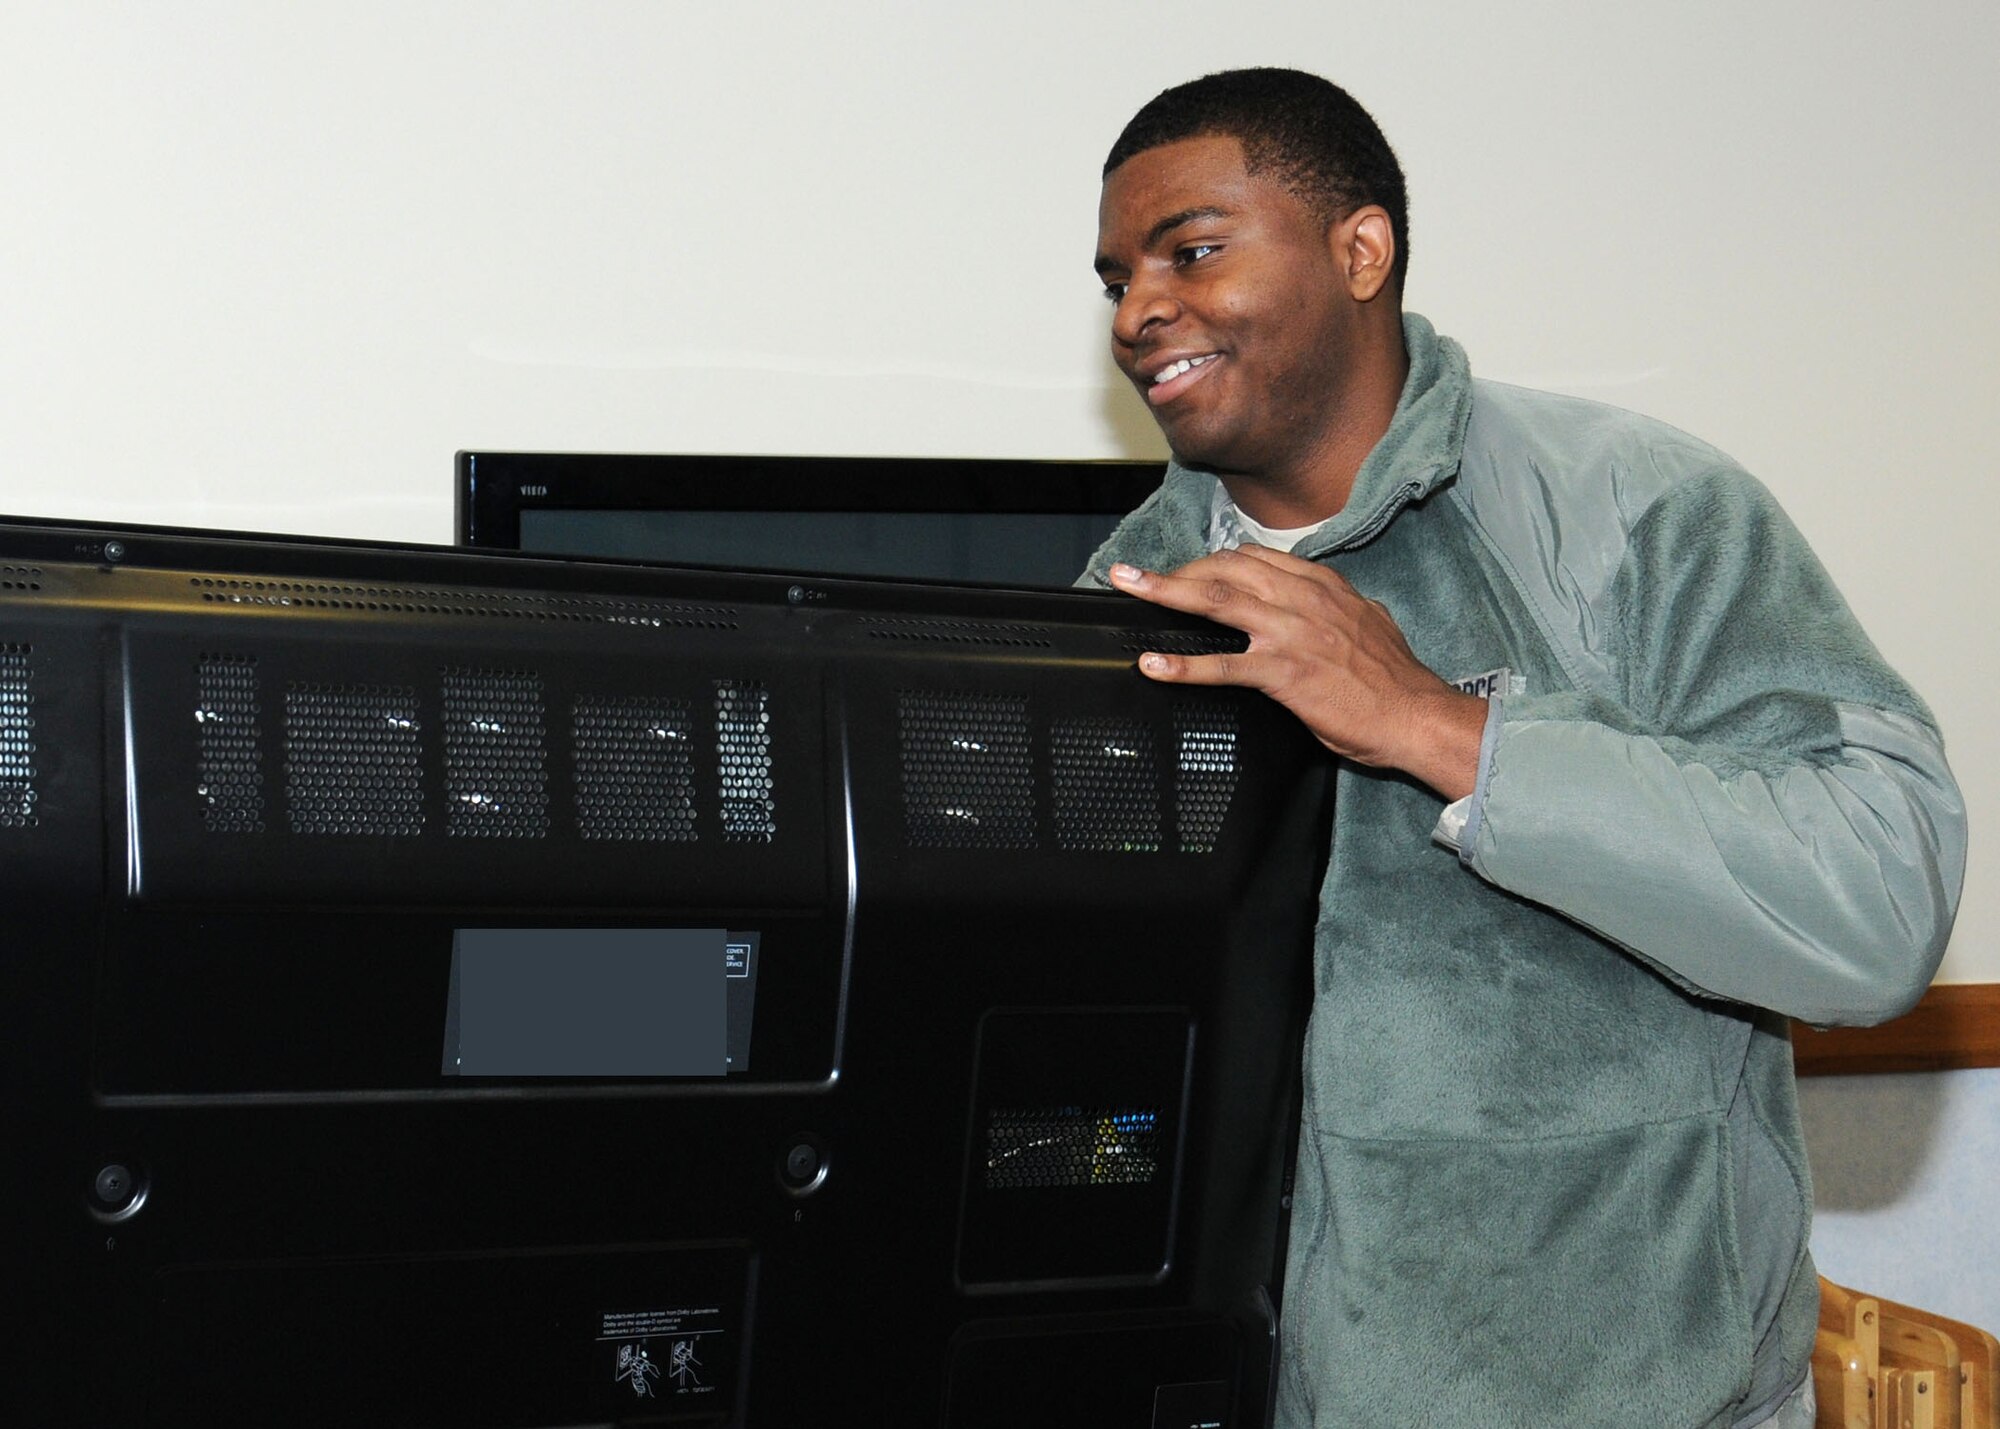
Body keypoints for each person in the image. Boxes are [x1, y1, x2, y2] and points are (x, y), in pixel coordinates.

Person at [1082, 68, 1965, 1429]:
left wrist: (1441, 728)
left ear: (1359, 250)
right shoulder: (1118, 611)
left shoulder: (1635, 512)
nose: (1142, 312)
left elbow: (1882, 890)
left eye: (1191, 250)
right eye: (1117, 279)